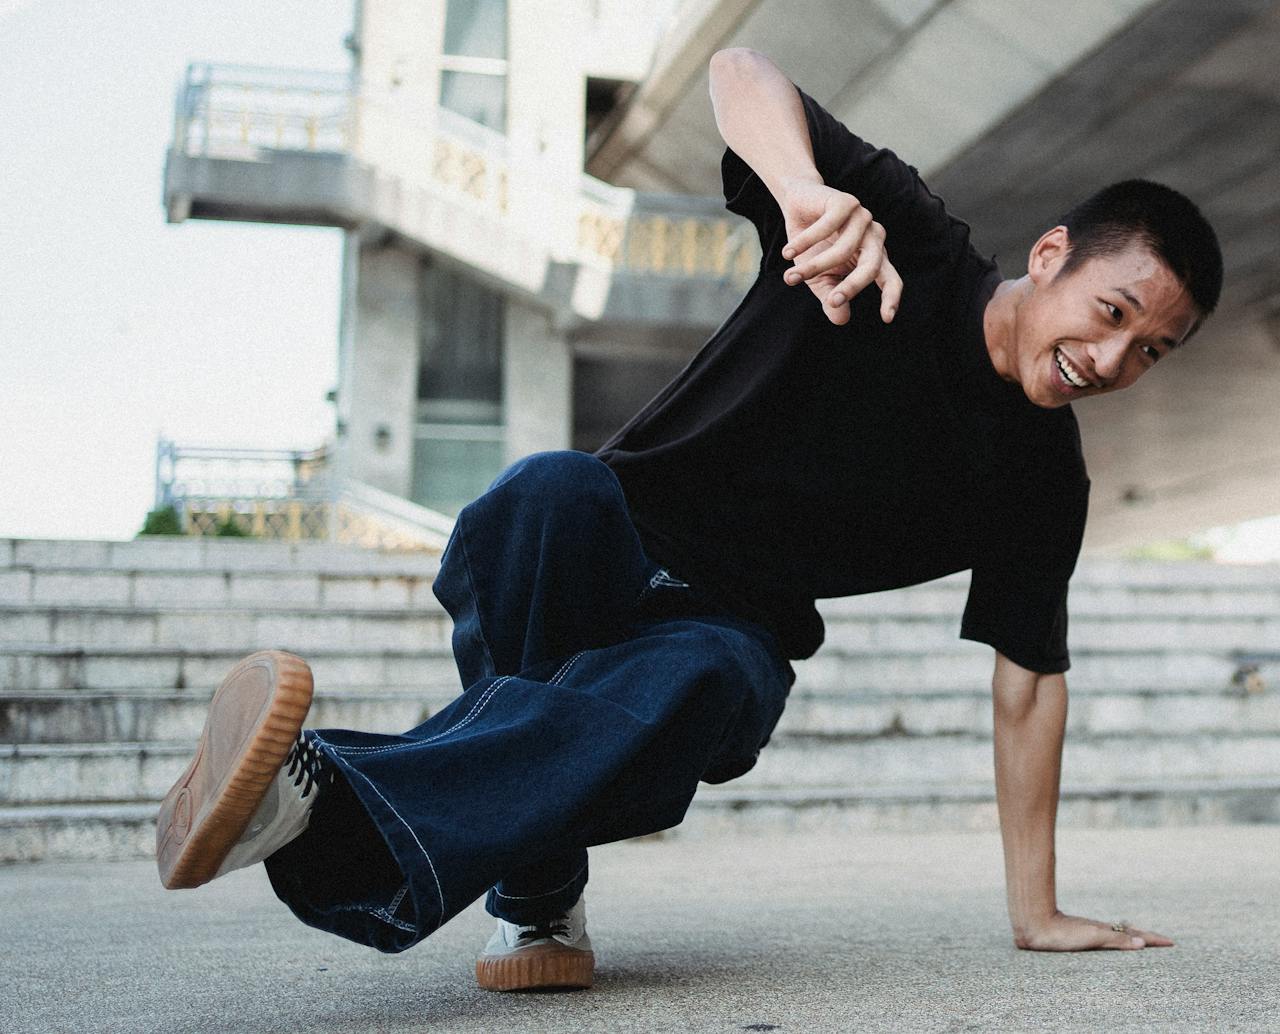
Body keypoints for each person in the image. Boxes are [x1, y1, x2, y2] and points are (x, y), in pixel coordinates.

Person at [155, 48, 1223, 989]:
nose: (1113, 358)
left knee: (693, 671)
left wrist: (1034, 912)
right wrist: (803, 192)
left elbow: (1028, 682)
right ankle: (534, 888)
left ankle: (314, 809)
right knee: (547, 488)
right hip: (604, 544)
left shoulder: (1042, 480)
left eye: (1149, 351)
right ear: (1050, 258)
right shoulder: (901, 239)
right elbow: (740, 73)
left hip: (731, 634)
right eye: (1112, 312)